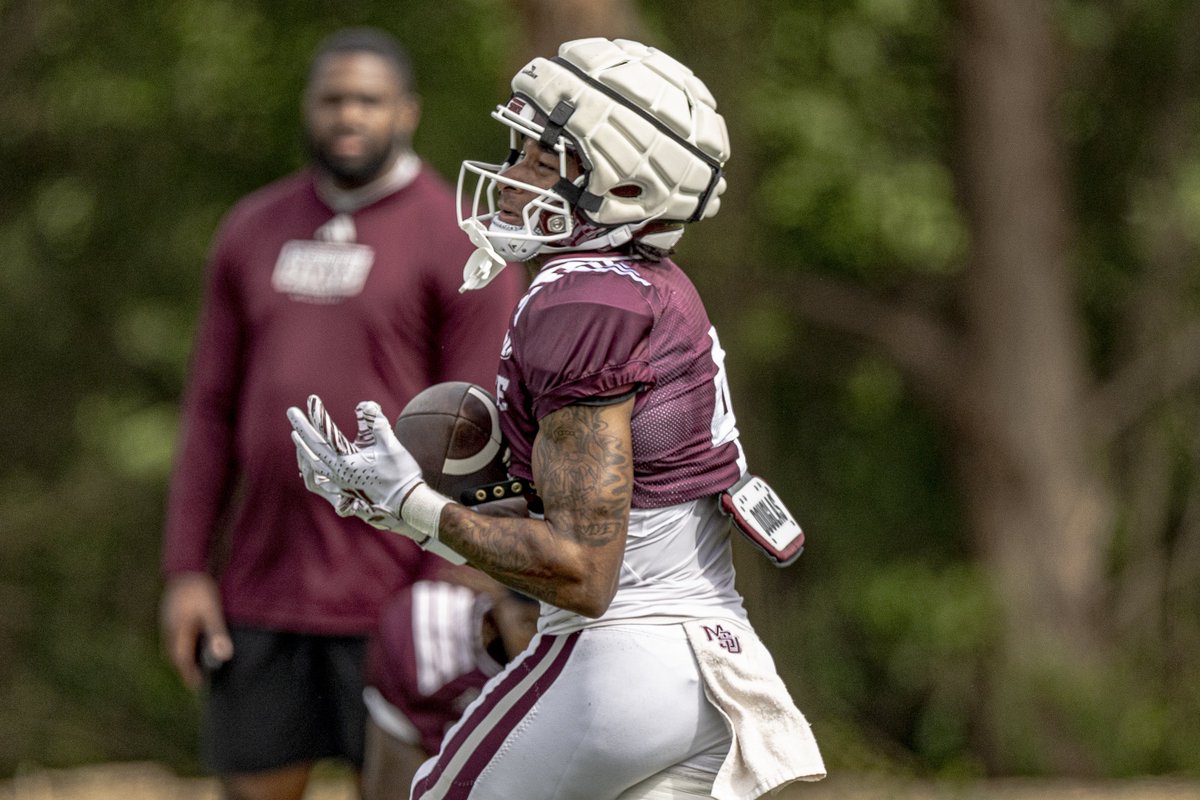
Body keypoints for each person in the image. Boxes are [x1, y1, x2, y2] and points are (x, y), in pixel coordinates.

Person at [288, 37, 827, 800]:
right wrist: (420, 497)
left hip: (615, 660)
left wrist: (410, 506)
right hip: (715, 666)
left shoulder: (580, 300)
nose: (510, 179)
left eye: (544, 160)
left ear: (626, 186)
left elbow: (582, 570)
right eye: (517, 152)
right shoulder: (648, 283)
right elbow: (621, 508)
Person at [158, 27, 525, 800]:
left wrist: (445, 586)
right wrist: (188, 568)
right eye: (333, 98)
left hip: (398, 601)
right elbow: (209, 411)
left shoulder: (463, 241)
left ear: (408, 112)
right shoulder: (252, 229)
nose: (348, 114)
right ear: (309, 108)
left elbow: (479, 427)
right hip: (261, 590)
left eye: (369, 99)